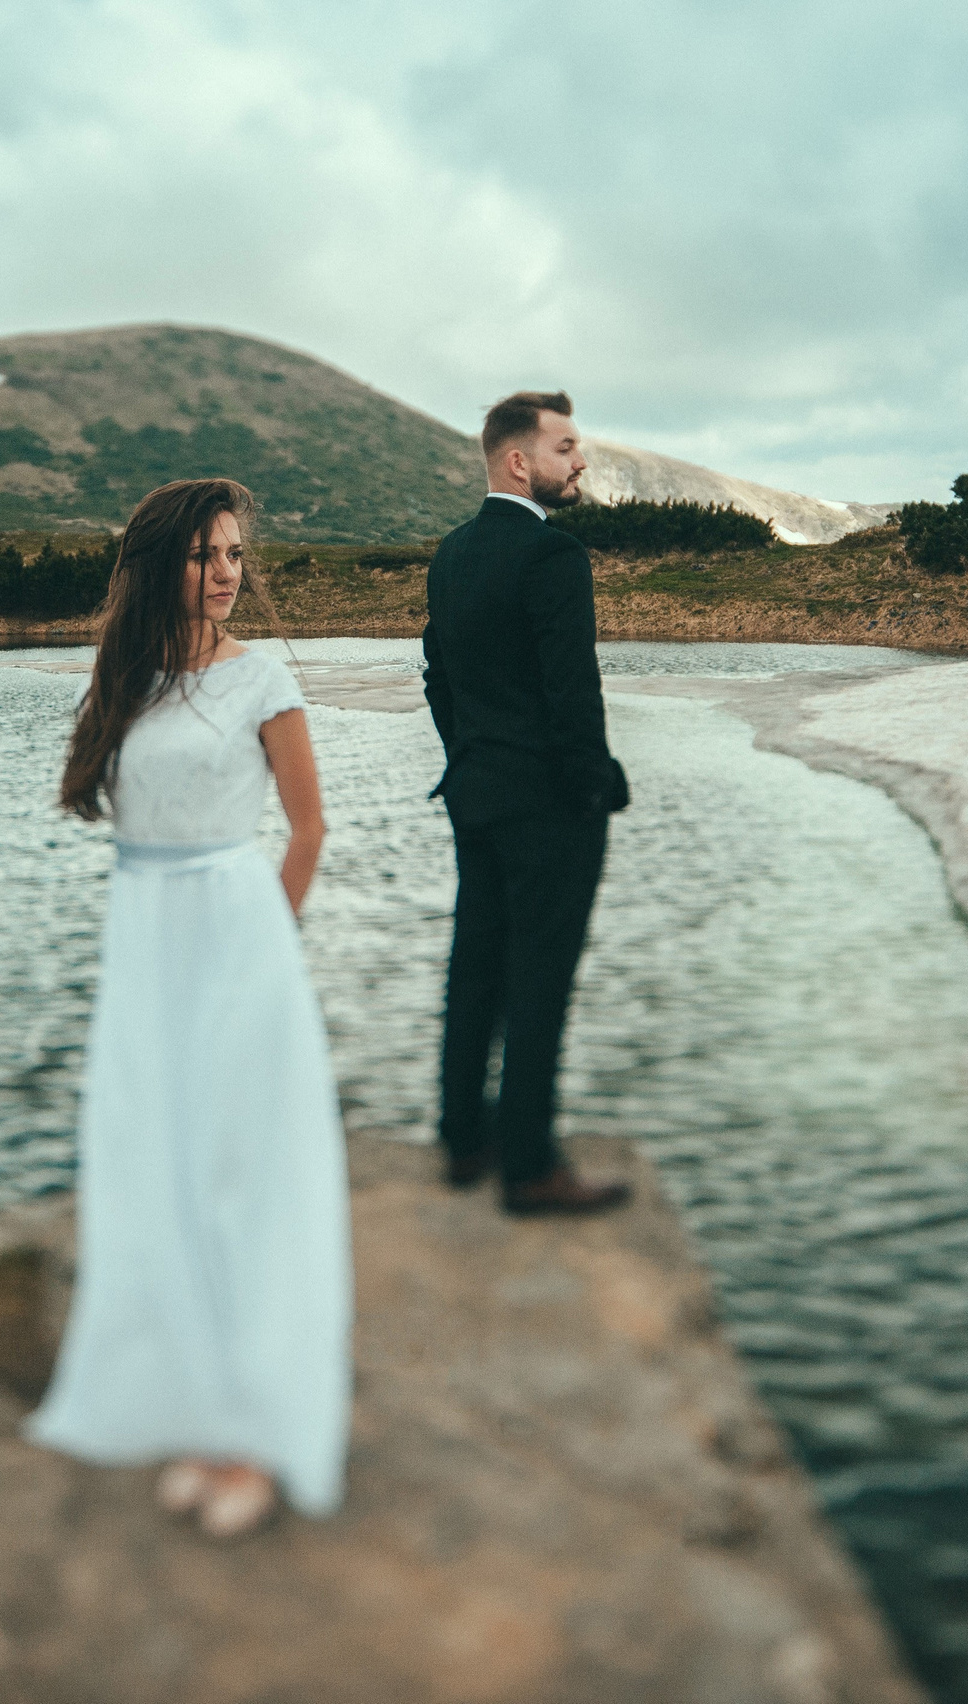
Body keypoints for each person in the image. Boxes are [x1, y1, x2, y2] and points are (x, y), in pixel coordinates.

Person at [24, 478, 352, 1540]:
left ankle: (256, 1434)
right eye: (205, 554)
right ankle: (195, 1415)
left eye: (235, 556)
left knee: (239, 1184)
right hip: (143, 944)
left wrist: (266, 951)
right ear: (159, 563)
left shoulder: (262, 681)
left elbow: (306, 832)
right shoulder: (129, 680)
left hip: (234, 938)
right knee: (153, 1176)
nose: (225, 573)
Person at [421, 391, 634, 1216]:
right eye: (567, 447)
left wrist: (470, 756)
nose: (579, 461)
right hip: (547, 805)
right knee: (540, 979)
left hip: (475, 791)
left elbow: (440, 679)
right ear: (521, 462)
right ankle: (531, 1166)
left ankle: (463, 1135)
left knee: (475, 965)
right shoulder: (554, 557)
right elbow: (571, 692)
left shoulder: (451, 555)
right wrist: (590, 789)